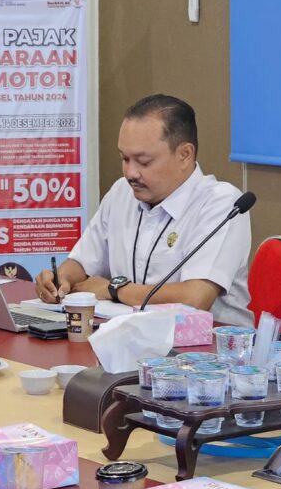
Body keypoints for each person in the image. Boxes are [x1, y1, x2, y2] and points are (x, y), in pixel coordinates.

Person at [35, 94, 252, 326]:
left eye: (144, 161)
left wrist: (114, 289)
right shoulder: (121, 192)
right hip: (127, 336)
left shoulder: (222, 204)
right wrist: (62, 279)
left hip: (205, 344)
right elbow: (82, 262)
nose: (130, 173)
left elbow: (195, 299)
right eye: (124, 159)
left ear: (184, 155)